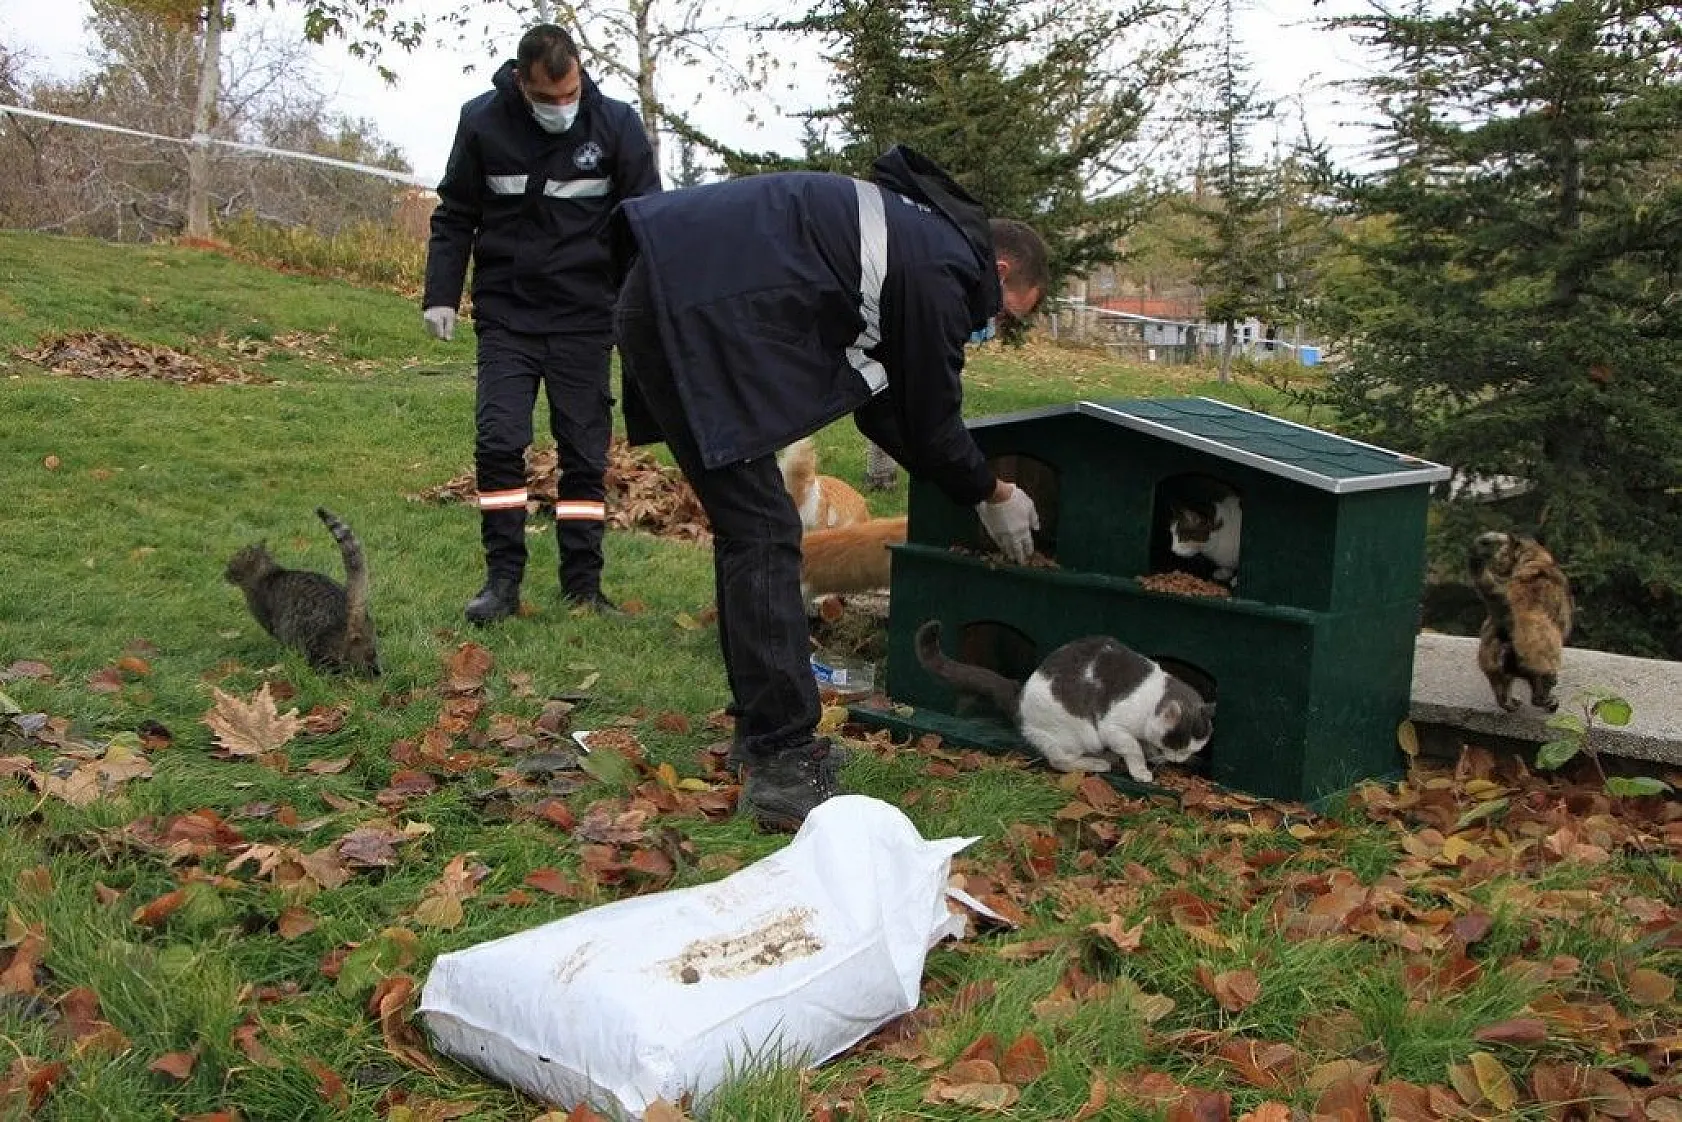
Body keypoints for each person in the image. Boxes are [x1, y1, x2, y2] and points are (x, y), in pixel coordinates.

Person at [609, 145, 1049, 830]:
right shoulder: (941, 268)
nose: (996, 328)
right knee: (762, 533)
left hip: (680, 299)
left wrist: (966, 484)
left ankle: (761, 734)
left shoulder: (915, 241)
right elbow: (933, 423)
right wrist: (994, 494)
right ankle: (783, 758)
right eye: (1009, 314)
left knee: (753, 531)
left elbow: (883, 409)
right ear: (998, 271)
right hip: (694, 312)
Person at [423, 23, 660, 624]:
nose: (561, 107)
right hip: (509, 314)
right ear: (522, 83)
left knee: (584, 452)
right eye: (547, 97)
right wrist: (441, 294)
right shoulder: (483, 122)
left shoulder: (616, 127)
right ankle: (502, 581)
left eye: (570, 92)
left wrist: (647, 308)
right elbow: (454, 215)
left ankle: (583, 586)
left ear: (580, 72)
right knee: (499, 443)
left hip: (585, 317)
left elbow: (648, 225)